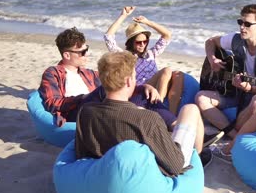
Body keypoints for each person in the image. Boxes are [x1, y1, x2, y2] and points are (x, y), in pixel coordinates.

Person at [75, 52, 212, 175]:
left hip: (106, 168)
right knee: (191, 109)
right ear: (129, 81)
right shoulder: (147, 118)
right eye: (134, 77)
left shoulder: (86, 111)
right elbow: (175, 166)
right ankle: (197, 157)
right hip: (153, 172)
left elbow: (80, 153)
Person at [39, 27, 175, 130]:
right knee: (105, 89)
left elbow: (118, 83)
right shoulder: (53, 73)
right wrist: (83, 98)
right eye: (82, 52)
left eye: (87, 49)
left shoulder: (89, 74)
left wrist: (144, 87)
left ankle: (174, 126)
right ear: (67, 55)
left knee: (145, 95)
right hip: (77, 113)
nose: (87, 54)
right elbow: (52, 103)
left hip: (100, 109)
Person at [195, 4, 256, 145]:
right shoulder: (235, 40)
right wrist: (212, 59)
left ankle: (234, 133)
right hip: (237, 93)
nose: (242, 27)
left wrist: (250, 88)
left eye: (247, 24)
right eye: (240, 22)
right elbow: (210, 41)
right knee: (201, 98)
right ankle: (234, 135)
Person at [104, 6, 184, 115]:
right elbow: (108, 37)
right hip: (140, 90)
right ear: (131, 42)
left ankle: (170, 112)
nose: (142, 45)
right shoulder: (125, 56)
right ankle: (158, 107)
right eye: (138, 42)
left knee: (176, 74)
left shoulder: (151, 53)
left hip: (156, 86)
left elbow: (167, 35)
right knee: (166, 70)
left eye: (145, 41)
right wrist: (123, 16)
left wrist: (147, 22)